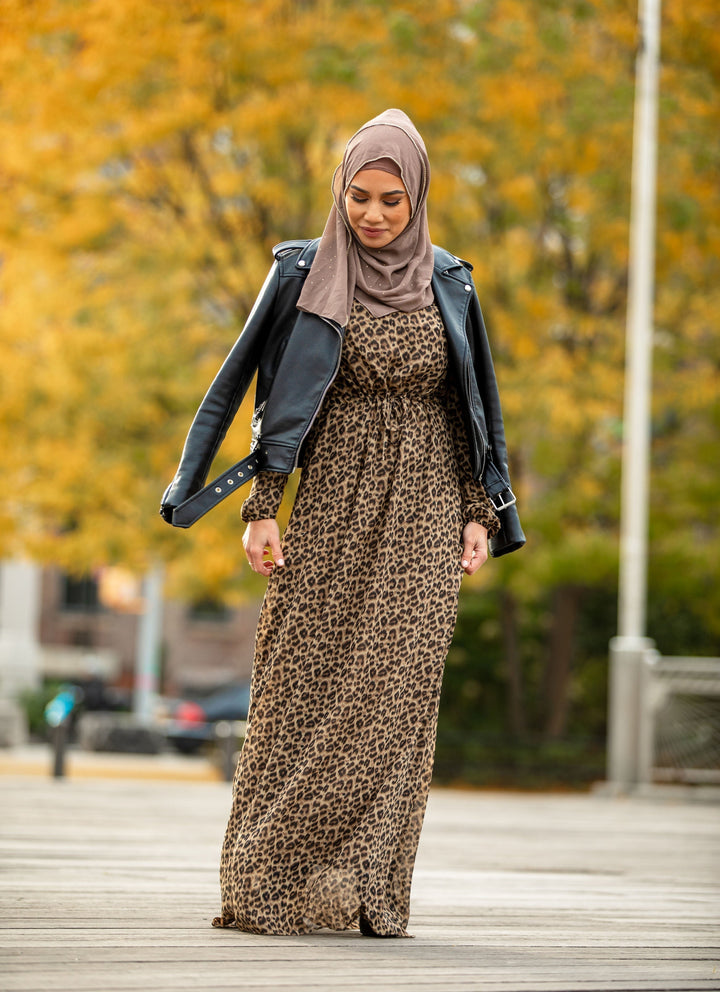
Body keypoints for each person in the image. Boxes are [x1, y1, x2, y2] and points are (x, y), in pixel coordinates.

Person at [161, 108, 524, 937]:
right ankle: (270, 880)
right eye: (359, 197)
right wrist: (259, 507)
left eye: (392, 200)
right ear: (340, 194)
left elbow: (475, 408)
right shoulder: (302, 271)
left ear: (417, 197)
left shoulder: (451, 281)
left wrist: (483, 511)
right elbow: (249, 394)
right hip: (329, 500)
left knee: (394, 703)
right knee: (302, 684)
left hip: (429, 505)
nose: (374, 215)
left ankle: (363, 892)